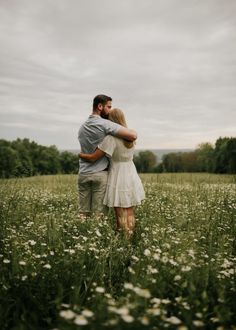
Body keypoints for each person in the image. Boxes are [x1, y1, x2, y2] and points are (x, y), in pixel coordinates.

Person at [79, 108, 145, 238]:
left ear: (111, 121)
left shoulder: (111, 138)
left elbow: (94, 157)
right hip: (131, 173)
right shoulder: (130, 136)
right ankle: (129, 237)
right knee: (129, 211)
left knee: (119, 212)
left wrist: (81, 155)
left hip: (118, 174)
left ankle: (122, 239)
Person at [78, 95, 137, 219]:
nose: (110, 110)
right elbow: (132, 135)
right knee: (98, 215)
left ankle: (82, 235)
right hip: (100, 174)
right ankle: (96, 237)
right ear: (100, 106)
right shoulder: (106, 124)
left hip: (83, 174)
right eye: (108, 107)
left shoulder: (82, 127)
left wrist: (80, 155)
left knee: (83, 212)